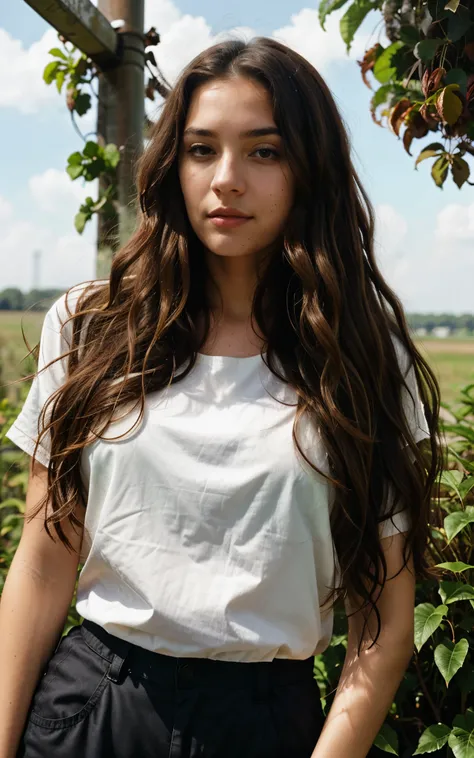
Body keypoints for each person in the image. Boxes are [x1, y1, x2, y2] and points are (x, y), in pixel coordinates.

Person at [0, 36, 441, 758]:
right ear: (173, 164)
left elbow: (383, 627)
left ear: (310, 168)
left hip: (266, 722)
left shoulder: (362, 356)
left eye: (264, 152)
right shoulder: (91, 326)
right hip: (93, 710)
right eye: (202, 149)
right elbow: (46, 560)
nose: (226, 179)